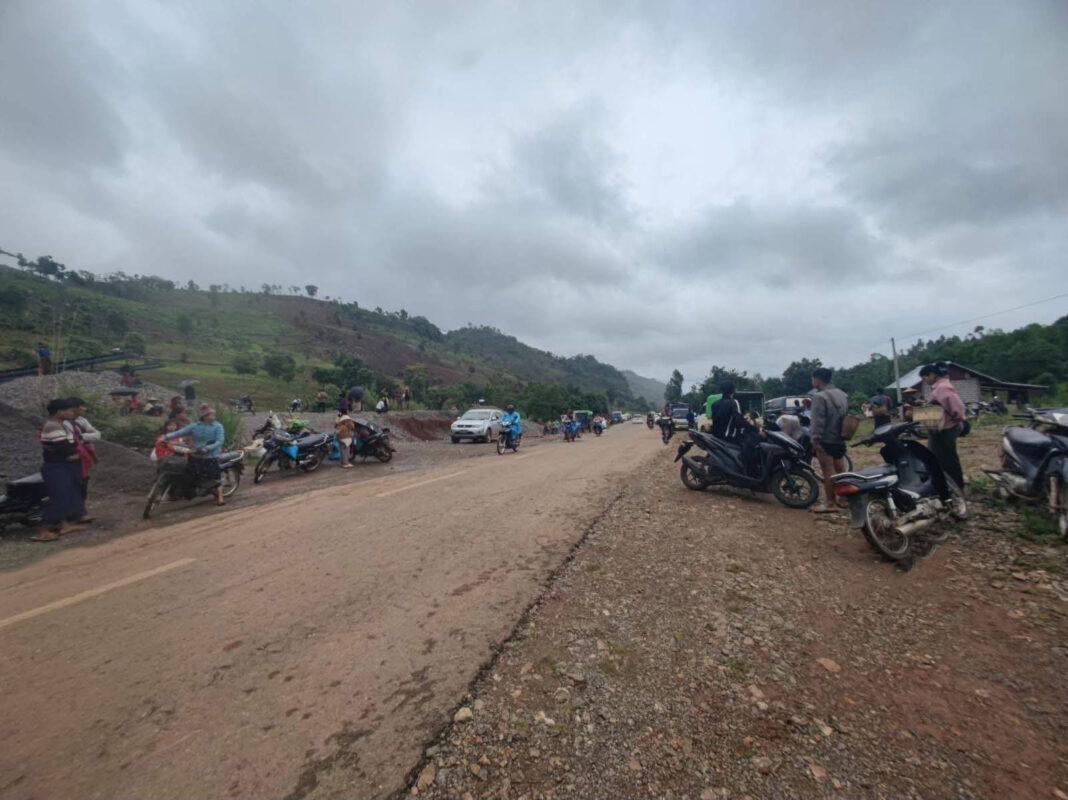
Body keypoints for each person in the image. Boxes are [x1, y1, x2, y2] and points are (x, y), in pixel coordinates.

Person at [34, 398, 89, 541]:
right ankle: (42, 530)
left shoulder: (60, 425)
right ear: (59, 412)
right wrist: (75, 453)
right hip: (56, 467)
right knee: (57, 497)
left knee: (64, 496)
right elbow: (64, 449)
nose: (73, 413)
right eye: (70, 410)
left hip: (60, 466)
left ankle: (65, 525)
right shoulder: (53, 426)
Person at [165, 404, 226, 506]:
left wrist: (207, 448)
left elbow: (220, 441)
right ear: (204, 416)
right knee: (188, 474)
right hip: (195, 455)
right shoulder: (195, 426)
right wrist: (165, 437)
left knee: (215, 477)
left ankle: (220, 497)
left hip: (211, 456)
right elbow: (180, 432)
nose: (213, 417)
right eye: (211, 415)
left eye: (213, 414)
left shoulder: (218, 426)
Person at [920, 362, 967, 493]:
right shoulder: (939, 387)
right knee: (936, 457)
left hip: (946, 429)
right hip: (939, 429)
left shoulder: (943, 387)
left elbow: (957, 406)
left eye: (925, 378)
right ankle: (942, 484)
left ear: (932, 375)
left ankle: (957, 486)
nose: (925, 381)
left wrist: (959, 418)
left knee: (948, 459)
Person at [810, 367, 849, 514]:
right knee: (841, 469)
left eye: (813, 378)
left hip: (825, 439)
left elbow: (818, 422)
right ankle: (844, 499)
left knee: (828, 472)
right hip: (840, 438)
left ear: (817, 379)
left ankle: (830, 503)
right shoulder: (842, 394)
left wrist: (815, 440)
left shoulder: (820, 397)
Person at [66, 397, 101, 504]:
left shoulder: (82, 420)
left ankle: (80, 506)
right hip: (73, 454)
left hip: (84, 455)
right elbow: (71, 439)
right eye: (83, 407)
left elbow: (97, 435)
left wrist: (81, 437)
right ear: (75, 408)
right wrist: (84, 436)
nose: (85, 409)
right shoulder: (65, 423)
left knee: (83, 479)